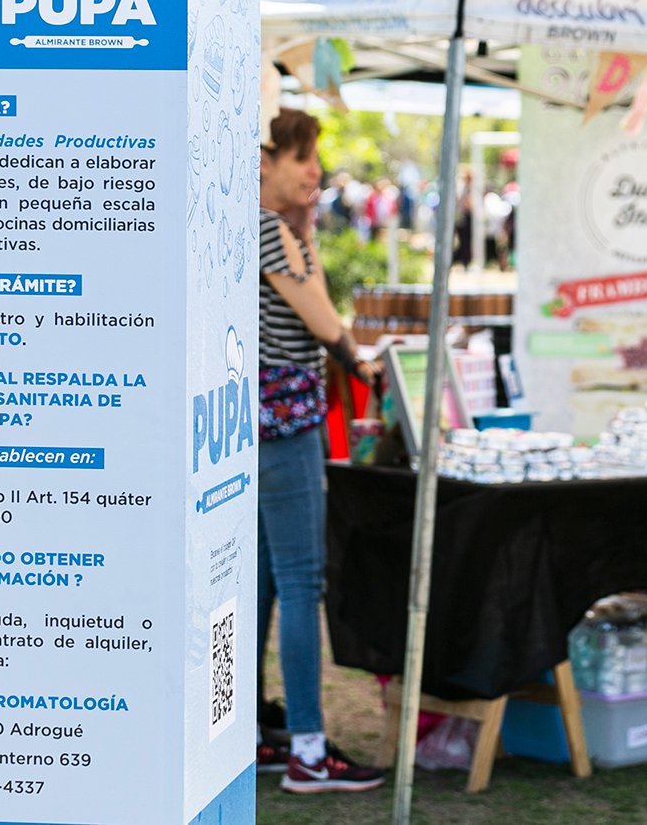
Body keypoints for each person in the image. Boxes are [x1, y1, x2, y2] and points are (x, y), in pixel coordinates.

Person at [257, 107, 385, 794]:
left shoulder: (259, 228)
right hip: (285, 427)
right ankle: (308, 750)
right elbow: (324, 321)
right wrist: (360, 362)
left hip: (255, 429)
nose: (315, 171)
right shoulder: (265, 231)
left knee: (259, 583)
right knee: (302, 582)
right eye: (302, 158)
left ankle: (250, 728)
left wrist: (304, 227)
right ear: (265, 161)